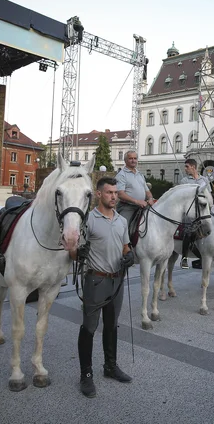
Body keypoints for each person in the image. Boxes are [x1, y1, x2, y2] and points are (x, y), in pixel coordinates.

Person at [70, 177, 135, 398]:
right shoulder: (88, 219)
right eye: (109, 193)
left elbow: (125, 247)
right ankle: (86, 374)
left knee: (112, 326)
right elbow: (73, 251)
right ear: (99, 194)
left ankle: (110, 366)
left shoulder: (121, 221)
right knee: (89, 327)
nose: (114, 196)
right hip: (96, 280)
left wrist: (130, 256)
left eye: (116, 193)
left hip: (117, 280)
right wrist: (79, 254)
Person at [179, 159, 207, 269]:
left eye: (187, 166)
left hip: (202, 210)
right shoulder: (184, 181)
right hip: (189, 211)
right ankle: (184, 258)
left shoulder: (204, 180)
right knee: (188, 229)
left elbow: (207, 194)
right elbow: (182, 197)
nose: (185, 169)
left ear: (193, 167)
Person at [115, 151, 155, 226]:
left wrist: (150, 198)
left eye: (135, 158)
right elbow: (120, 194)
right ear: (125, 160)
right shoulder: (121, 175)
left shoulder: (140, 174)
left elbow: (147, 191)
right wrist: (137, 201)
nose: (133, 160)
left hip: (142, 206)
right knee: (122, 227)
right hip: (127, 207)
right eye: (130, 158)